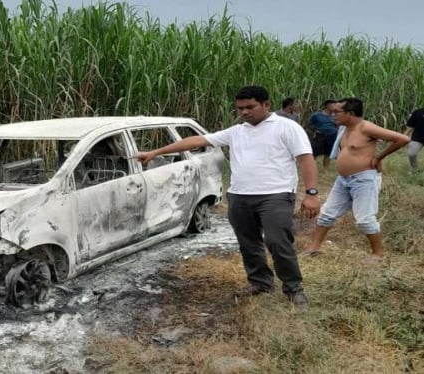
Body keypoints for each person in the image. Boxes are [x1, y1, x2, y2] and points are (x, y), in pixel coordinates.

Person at [136, 85, 320, 310]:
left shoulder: (287, 127)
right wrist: (155, 153)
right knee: (248, 243)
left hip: (276, 195)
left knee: (277, 241)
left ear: (266, 105)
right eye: (240, 108)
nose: (244, 112)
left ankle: (294, 289)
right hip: (240, 197)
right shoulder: (236, 131)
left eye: (250, 107)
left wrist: (311, 193)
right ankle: (260, 283)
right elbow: (197, 141)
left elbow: (305, 159)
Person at [303, 98, 410, 262]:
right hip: (343, 179)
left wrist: (380, 157)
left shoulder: (366, 127)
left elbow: (403, 139)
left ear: (350, 113)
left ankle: (377, 254)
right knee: (327, 214)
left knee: (365, 219)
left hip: (364, 179)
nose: (333, 115)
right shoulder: (344, 129)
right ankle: (314, 247)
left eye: (337, 112)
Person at [307, 100, 339, 171]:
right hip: (320, 135)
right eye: (333, 105)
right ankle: (311, 168)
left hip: (331, 136)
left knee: (328, 153)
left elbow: (337, 125)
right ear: (327, 106)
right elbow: (309, 124)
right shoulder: (316, 115)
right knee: (314, 153)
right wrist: (314, 132)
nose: (334, 107)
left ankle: (325, 169)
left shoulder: (335, 116)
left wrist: (335, 130)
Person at [404, 107, 424, 171]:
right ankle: (414, 170)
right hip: (417, 138)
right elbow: (410, 126)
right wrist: (403, 136)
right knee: (411, 153)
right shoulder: (418, 112)